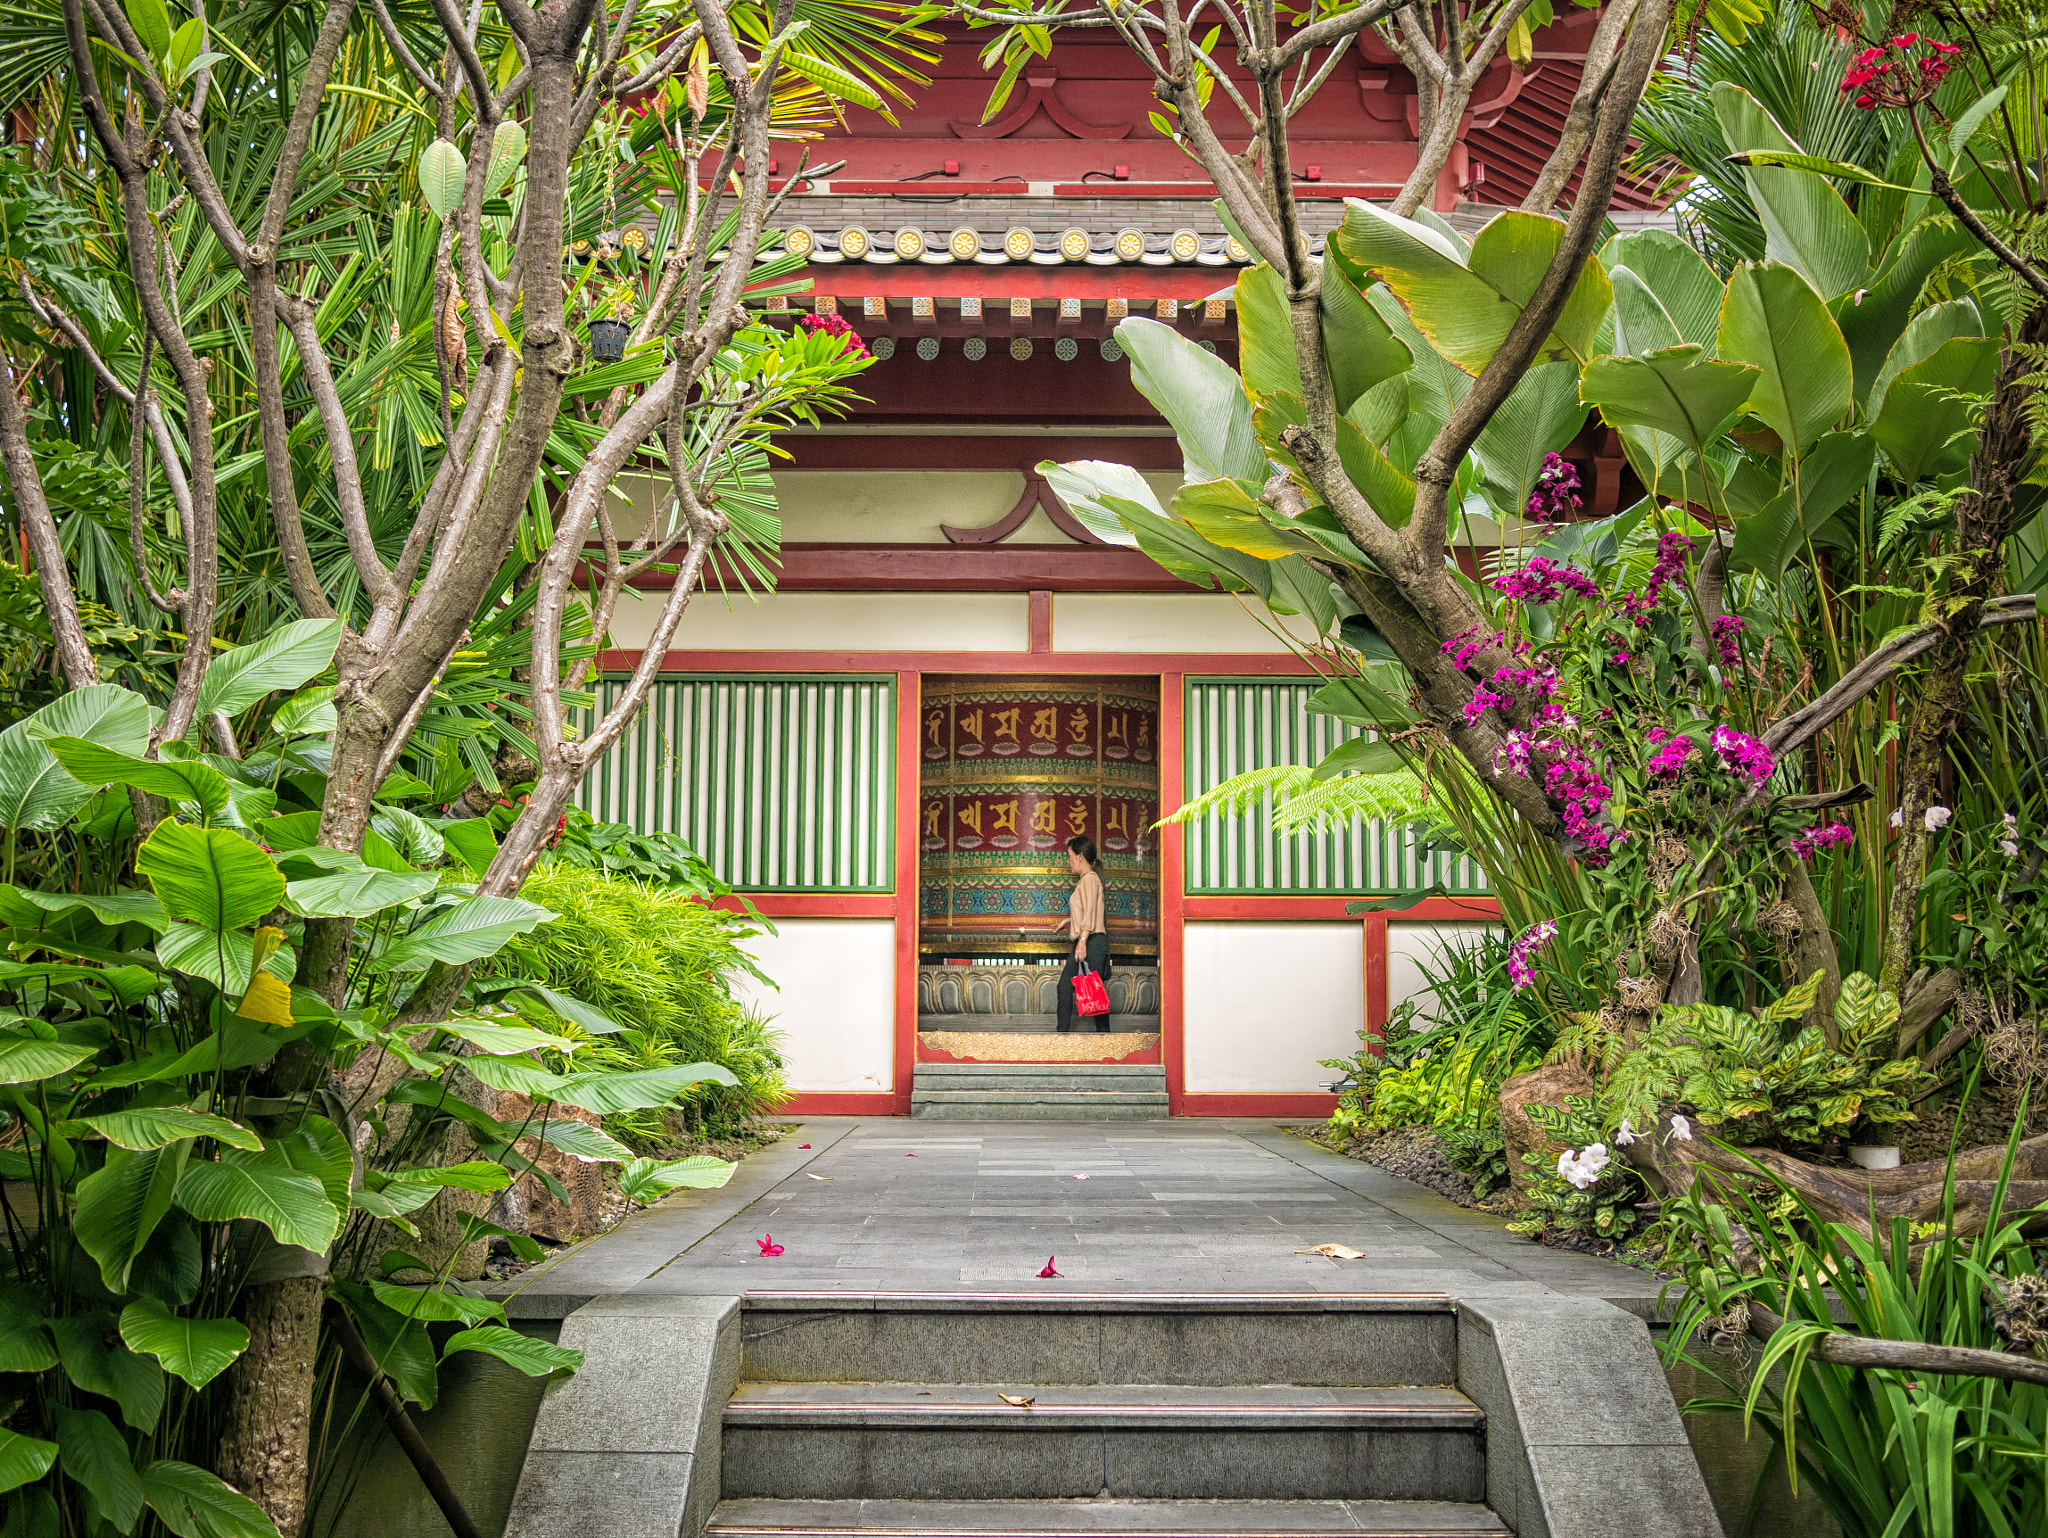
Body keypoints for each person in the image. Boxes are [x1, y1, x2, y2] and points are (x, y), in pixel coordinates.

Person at [1048, 835, 1111, 1032]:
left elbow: (1091, 912)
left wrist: (1082, 940)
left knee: (1092, 992)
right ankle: (1065, 1034)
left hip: (1091, 941)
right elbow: (1087, 911)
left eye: (1069, 856)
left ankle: (1104, 1038)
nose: (1068, 862)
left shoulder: (1090, 879)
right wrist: (1068, 921)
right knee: (1074, 988)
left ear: (1080, 856)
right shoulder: (1086, 881)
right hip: (1088, 940)